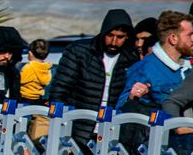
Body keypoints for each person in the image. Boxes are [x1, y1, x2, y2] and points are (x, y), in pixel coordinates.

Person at [47, 9, 138, 147]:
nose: (114, 41)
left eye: (120, 37)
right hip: (77, 132)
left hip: (112, 134)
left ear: (127, 37)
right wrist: (63, 129)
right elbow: (59, 90)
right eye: (110, 35)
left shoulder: (131, 58)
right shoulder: (79, 51)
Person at [118, 10, 193, 112]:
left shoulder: (189, 68)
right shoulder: (144, 69)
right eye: (190, 35)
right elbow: (121, 110)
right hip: (161, 127)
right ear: (173, 38)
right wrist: (131, 97)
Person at [0, 26, 27, 101]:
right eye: (3, 51)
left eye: (10, 52)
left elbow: (16, 99)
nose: (7, 56)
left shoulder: (13, 74)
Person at [20, 39, 52, 106]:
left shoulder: (29, 67)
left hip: (24, 99)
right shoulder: (46, 68)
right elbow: (47, 81)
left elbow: (19, 81)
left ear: (30, 53)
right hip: (38, 99)